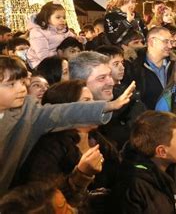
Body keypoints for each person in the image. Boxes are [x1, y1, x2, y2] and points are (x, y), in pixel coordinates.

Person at [0, 55, 135, 194]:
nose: (21, 89)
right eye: (11, 84)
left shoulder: (27, 111)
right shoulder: (50, 148)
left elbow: (64, 112)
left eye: (23, 83)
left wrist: (109, 106)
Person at [14, 80, 121, 211]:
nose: (94, 106)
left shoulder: (98, 139)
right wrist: (81, 176)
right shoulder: (48, 147)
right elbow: (44, 199)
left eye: (93, 100)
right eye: (87, 101)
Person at [125, 26, 174, 109]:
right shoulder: (135, 69)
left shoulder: (174, 66)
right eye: (166, 42)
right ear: (151, 42)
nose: (170, 46)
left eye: (171, 42)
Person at [26, 1, 76, 69]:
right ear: (47, 18)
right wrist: (60, 54)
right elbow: (43, 55)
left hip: (57, 59)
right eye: (58, 17)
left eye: (64, 17)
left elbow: (74, 39)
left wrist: (80, 39)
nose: (62, 20)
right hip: (39, 63)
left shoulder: (63, 30)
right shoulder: (37, 32)